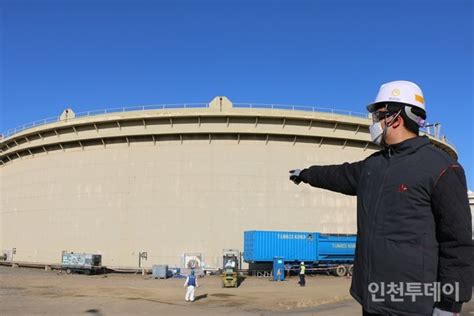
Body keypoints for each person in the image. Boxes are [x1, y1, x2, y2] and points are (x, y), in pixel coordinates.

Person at [289, 81, 472, 315]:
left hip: (414, 307)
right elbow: (337, 174)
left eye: (378, 115)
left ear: (395, 117)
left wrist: (449, 304)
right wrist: (306, 173)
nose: (374, 122)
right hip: (372, 300)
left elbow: (457, 242)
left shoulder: (442, 169)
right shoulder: (372, 167)